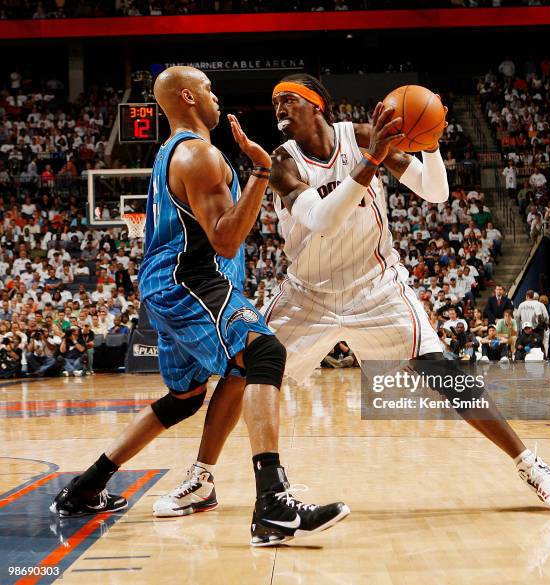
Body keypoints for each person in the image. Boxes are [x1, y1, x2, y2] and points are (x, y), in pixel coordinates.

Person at [161, 74, 550, 516]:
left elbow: (435, 192)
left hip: (376, 286)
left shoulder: (361, 137)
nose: (279, 109)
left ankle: (530, 465)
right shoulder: (283, 162)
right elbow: (322, 219)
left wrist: (431, 142)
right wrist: (373, 161)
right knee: (242, 371)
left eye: (288, 100)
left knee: (443, 372)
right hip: (308, 293)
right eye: (274, 103)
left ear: (317, 105)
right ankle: (202, 478)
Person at [50, 66, 348, 547]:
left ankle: (86, 488)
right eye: (208, 88)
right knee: (265, 354)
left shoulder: (173, 153)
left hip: (171, 284)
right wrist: (261, 173)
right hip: (191, 279)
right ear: (188, 96)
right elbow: (226, 239)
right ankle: (272, 503)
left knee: (187, 398)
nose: (216, 96)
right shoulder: (199, 154)